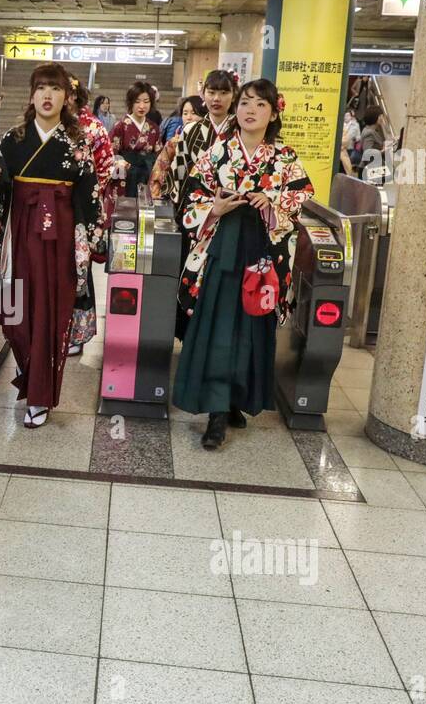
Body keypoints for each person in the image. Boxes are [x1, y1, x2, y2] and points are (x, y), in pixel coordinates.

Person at [171, 79, 313, 449]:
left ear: (273, 113)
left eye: (260, 105)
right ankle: (216, 410)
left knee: (253, 329)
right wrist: (213, 208)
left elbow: (302, 197)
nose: (250, 110)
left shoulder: (284, 157)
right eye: (246, 103)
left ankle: (236, 399)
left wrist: (274, 204)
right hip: (223, 246)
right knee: (218, 328)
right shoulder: (218, 151)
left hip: (263, 250)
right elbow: (191, 196)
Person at [0, 62, 103, 429]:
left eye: (55, 88)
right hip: (20, 234)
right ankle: (25, 365)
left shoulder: (78, 142)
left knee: (51, 314)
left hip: (62, 237)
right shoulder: (14, 138)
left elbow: (90, 198)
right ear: (32, 95)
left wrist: (86, 246)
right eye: (41, 88)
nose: (47, 95)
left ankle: (39, 396)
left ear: (67, 97)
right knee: (18, 312)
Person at [66, 72, 115, 356]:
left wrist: (85, 196)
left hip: (81, 209)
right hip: (49, 210)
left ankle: (77, 333)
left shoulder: (93, 128)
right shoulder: (46, 126)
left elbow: (105, 168)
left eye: (68, 92)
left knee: (79, 271)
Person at [150, 69, 237, 207]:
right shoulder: (190, 130)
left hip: (232, 204)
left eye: (224, 93)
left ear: (234, 95)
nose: (216, 98)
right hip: (194, 206)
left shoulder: (242, 131)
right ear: (203, 94)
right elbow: (179, 171)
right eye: (211, 92)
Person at [109, 81, 162, 198]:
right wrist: (119, 162)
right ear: (130, 103)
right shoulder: (120, 126)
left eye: (146, 101)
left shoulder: (154, 128)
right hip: (125, 176)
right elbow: (111, 153)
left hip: (147, 175)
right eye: (137, 101)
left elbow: (159, 155)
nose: (142, 106)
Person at [357, 105, 386, 178]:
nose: (382, 119)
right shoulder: (369, 133)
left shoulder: (370, 130)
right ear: (376, 117)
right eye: (381, 116)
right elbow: (368, 153)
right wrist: (384, 151)